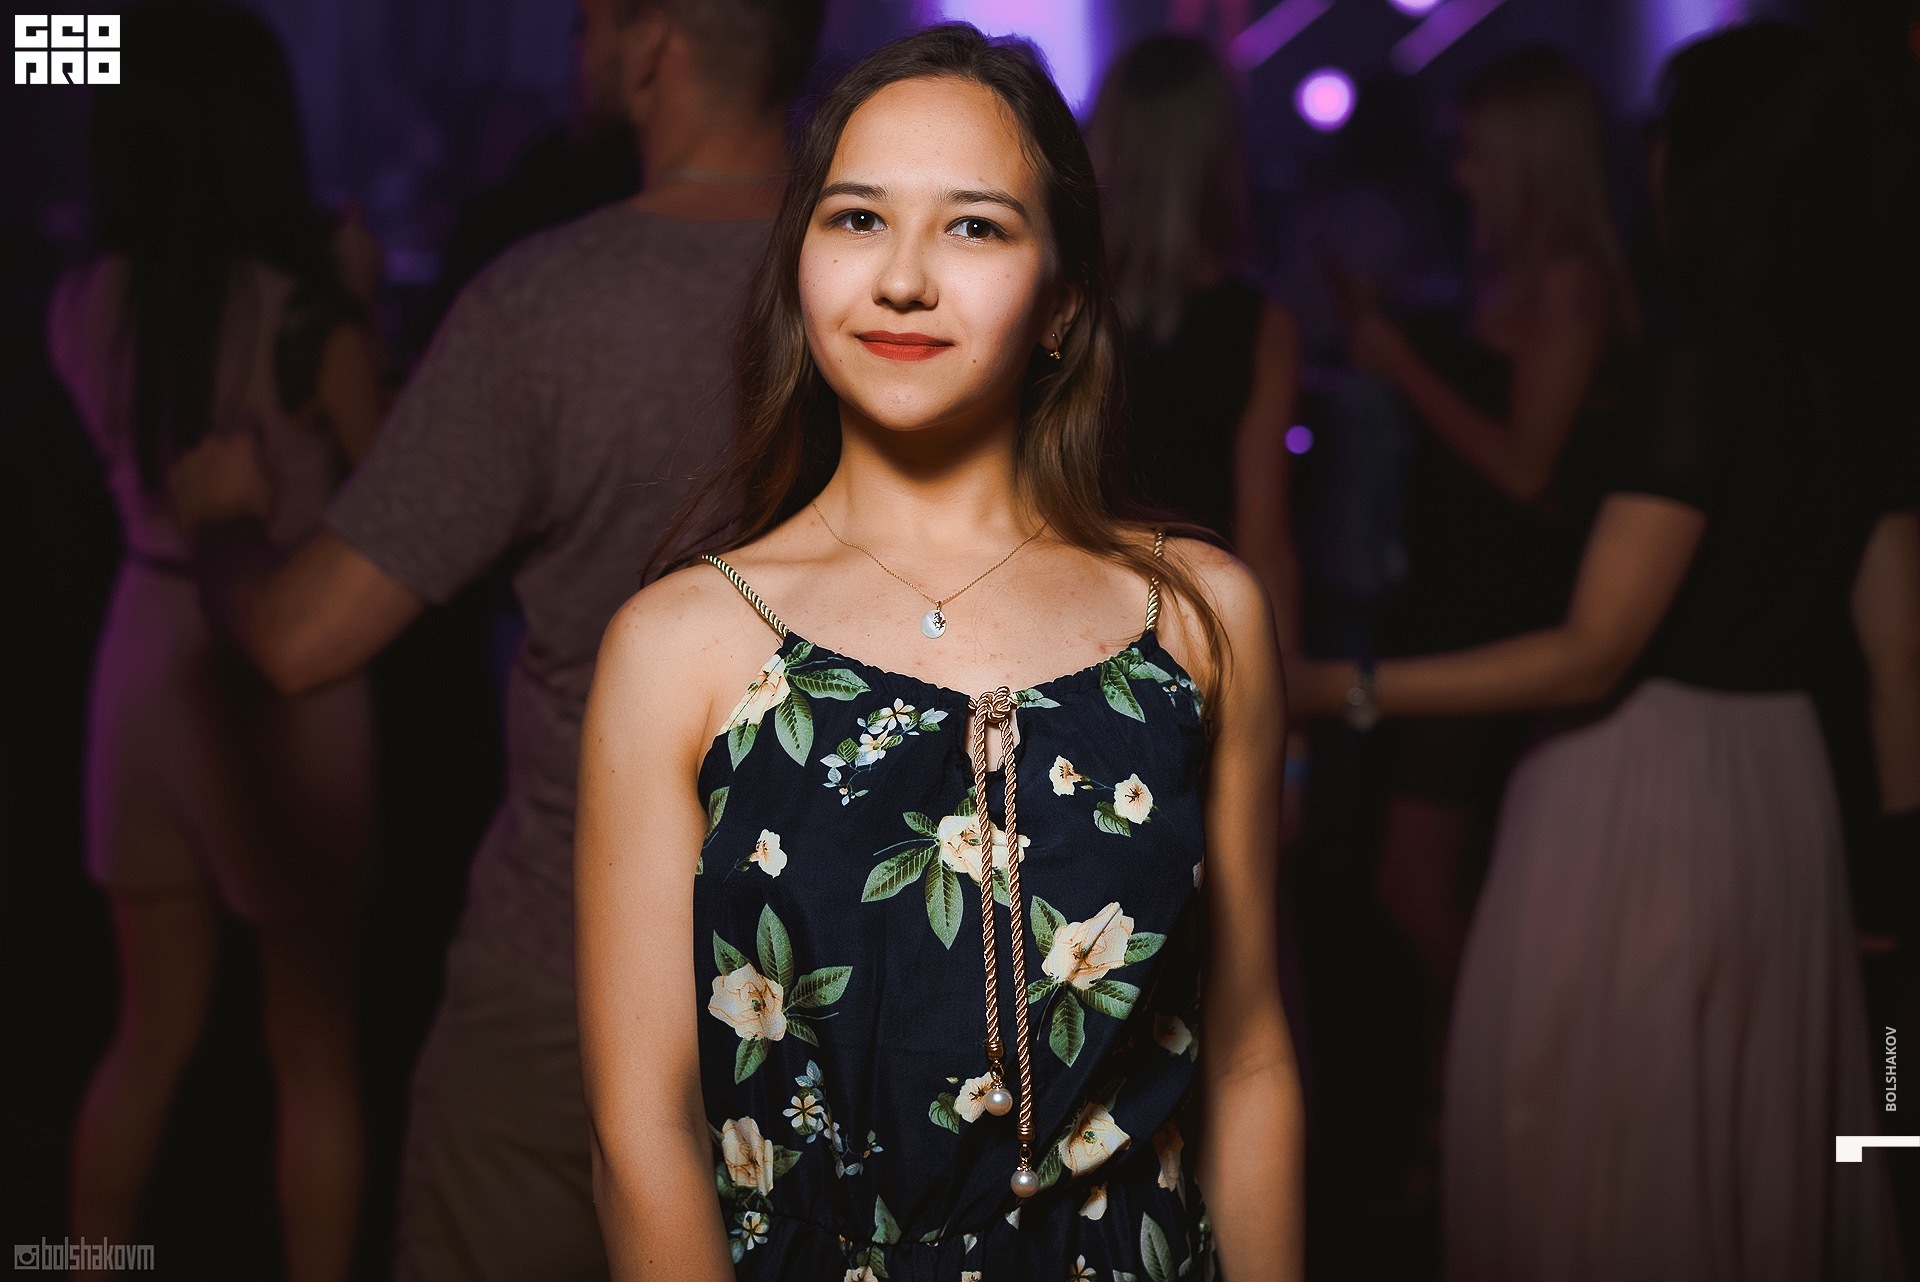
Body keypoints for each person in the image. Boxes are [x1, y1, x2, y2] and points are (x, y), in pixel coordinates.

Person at [576, 24, 1304, 1280]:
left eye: (975, 227)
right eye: (858, 219)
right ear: (799, 267)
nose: (903, 278)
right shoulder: (681, 644)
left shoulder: (1196, 616)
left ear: (1062, 301)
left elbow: (1246, 1060)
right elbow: (641, 1131)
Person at [166, 1, 824, 1275]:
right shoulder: (887, 296)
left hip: (572, 966)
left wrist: (224, 528)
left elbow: (301, 636)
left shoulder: (548, 304)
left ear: (653, 40)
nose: (573, 50)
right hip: (834, 970)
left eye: (587, 21)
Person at [1299, 24, 1917, 1279]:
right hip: (1787, 788)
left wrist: (1338, 688)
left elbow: (1595, 652)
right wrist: (1894, 893)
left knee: (1598, 1143)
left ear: (1708, 173)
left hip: (1645, 781)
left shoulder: (1703, 366)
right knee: (1754, 1138)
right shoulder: (1860, 377)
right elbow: (1899, 663)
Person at [51, 5, 389, 1280]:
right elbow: (398, 500)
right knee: (313, 1051)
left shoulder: (84, 300)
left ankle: (79, 1266)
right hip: (275, 660)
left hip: (139, 655)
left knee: (147, 1038)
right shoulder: (305, 317)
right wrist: (360, 309)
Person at [1333, 48, 1642, 1195]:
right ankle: (1452, 1116)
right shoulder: (1499, 273)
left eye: (1473, 150)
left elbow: (1524, 469)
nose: (1457, 170)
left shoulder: (1571, 281)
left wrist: (1400, 361)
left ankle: (1536, 1088)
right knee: (1438, 880)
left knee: (1415, 883)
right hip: (1445, 600)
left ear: (1526, 155)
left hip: (1506, 611)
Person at [1086, 34, 1302, 655]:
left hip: (1054, 611)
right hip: (1192, 628)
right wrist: (1285, 691)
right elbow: (1264, 540)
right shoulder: (1260, 323)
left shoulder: (1053, 300)